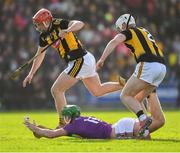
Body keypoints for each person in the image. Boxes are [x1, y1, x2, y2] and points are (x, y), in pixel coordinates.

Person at [22, 8, 123, 126]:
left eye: (38, 25)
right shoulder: (43, 37)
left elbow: (80, 24)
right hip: (83, 60)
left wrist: (67, 30)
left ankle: (63, 124)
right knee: (97, 91)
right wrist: (31, 73)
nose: (37, 28)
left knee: (56, 90)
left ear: (45, 22)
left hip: (80, 60)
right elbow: (39, 55)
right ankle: (123, 85)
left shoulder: (58, 23)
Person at [96, 14, 166, 136]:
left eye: (120, 28)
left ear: (124, 25)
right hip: (162, 68)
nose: (120, 31)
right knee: (137, 98)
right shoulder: (144, 30)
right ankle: (144, 132)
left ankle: (144, 120)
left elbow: (114, 42)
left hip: (148, 65)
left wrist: (102, 59)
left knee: (125, 95)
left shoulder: (130, 31)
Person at [24, 99, 165, 139]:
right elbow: (53, 132)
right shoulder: (78, 121)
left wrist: (34, 128)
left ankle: (150, 94)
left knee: (152, 127)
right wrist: (39, 131)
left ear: (70, 116)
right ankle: (147, 97)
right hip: (120, 125)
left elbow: (52, 134)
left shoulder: (72, 126)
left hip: (119, 130)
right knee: (146, 132)